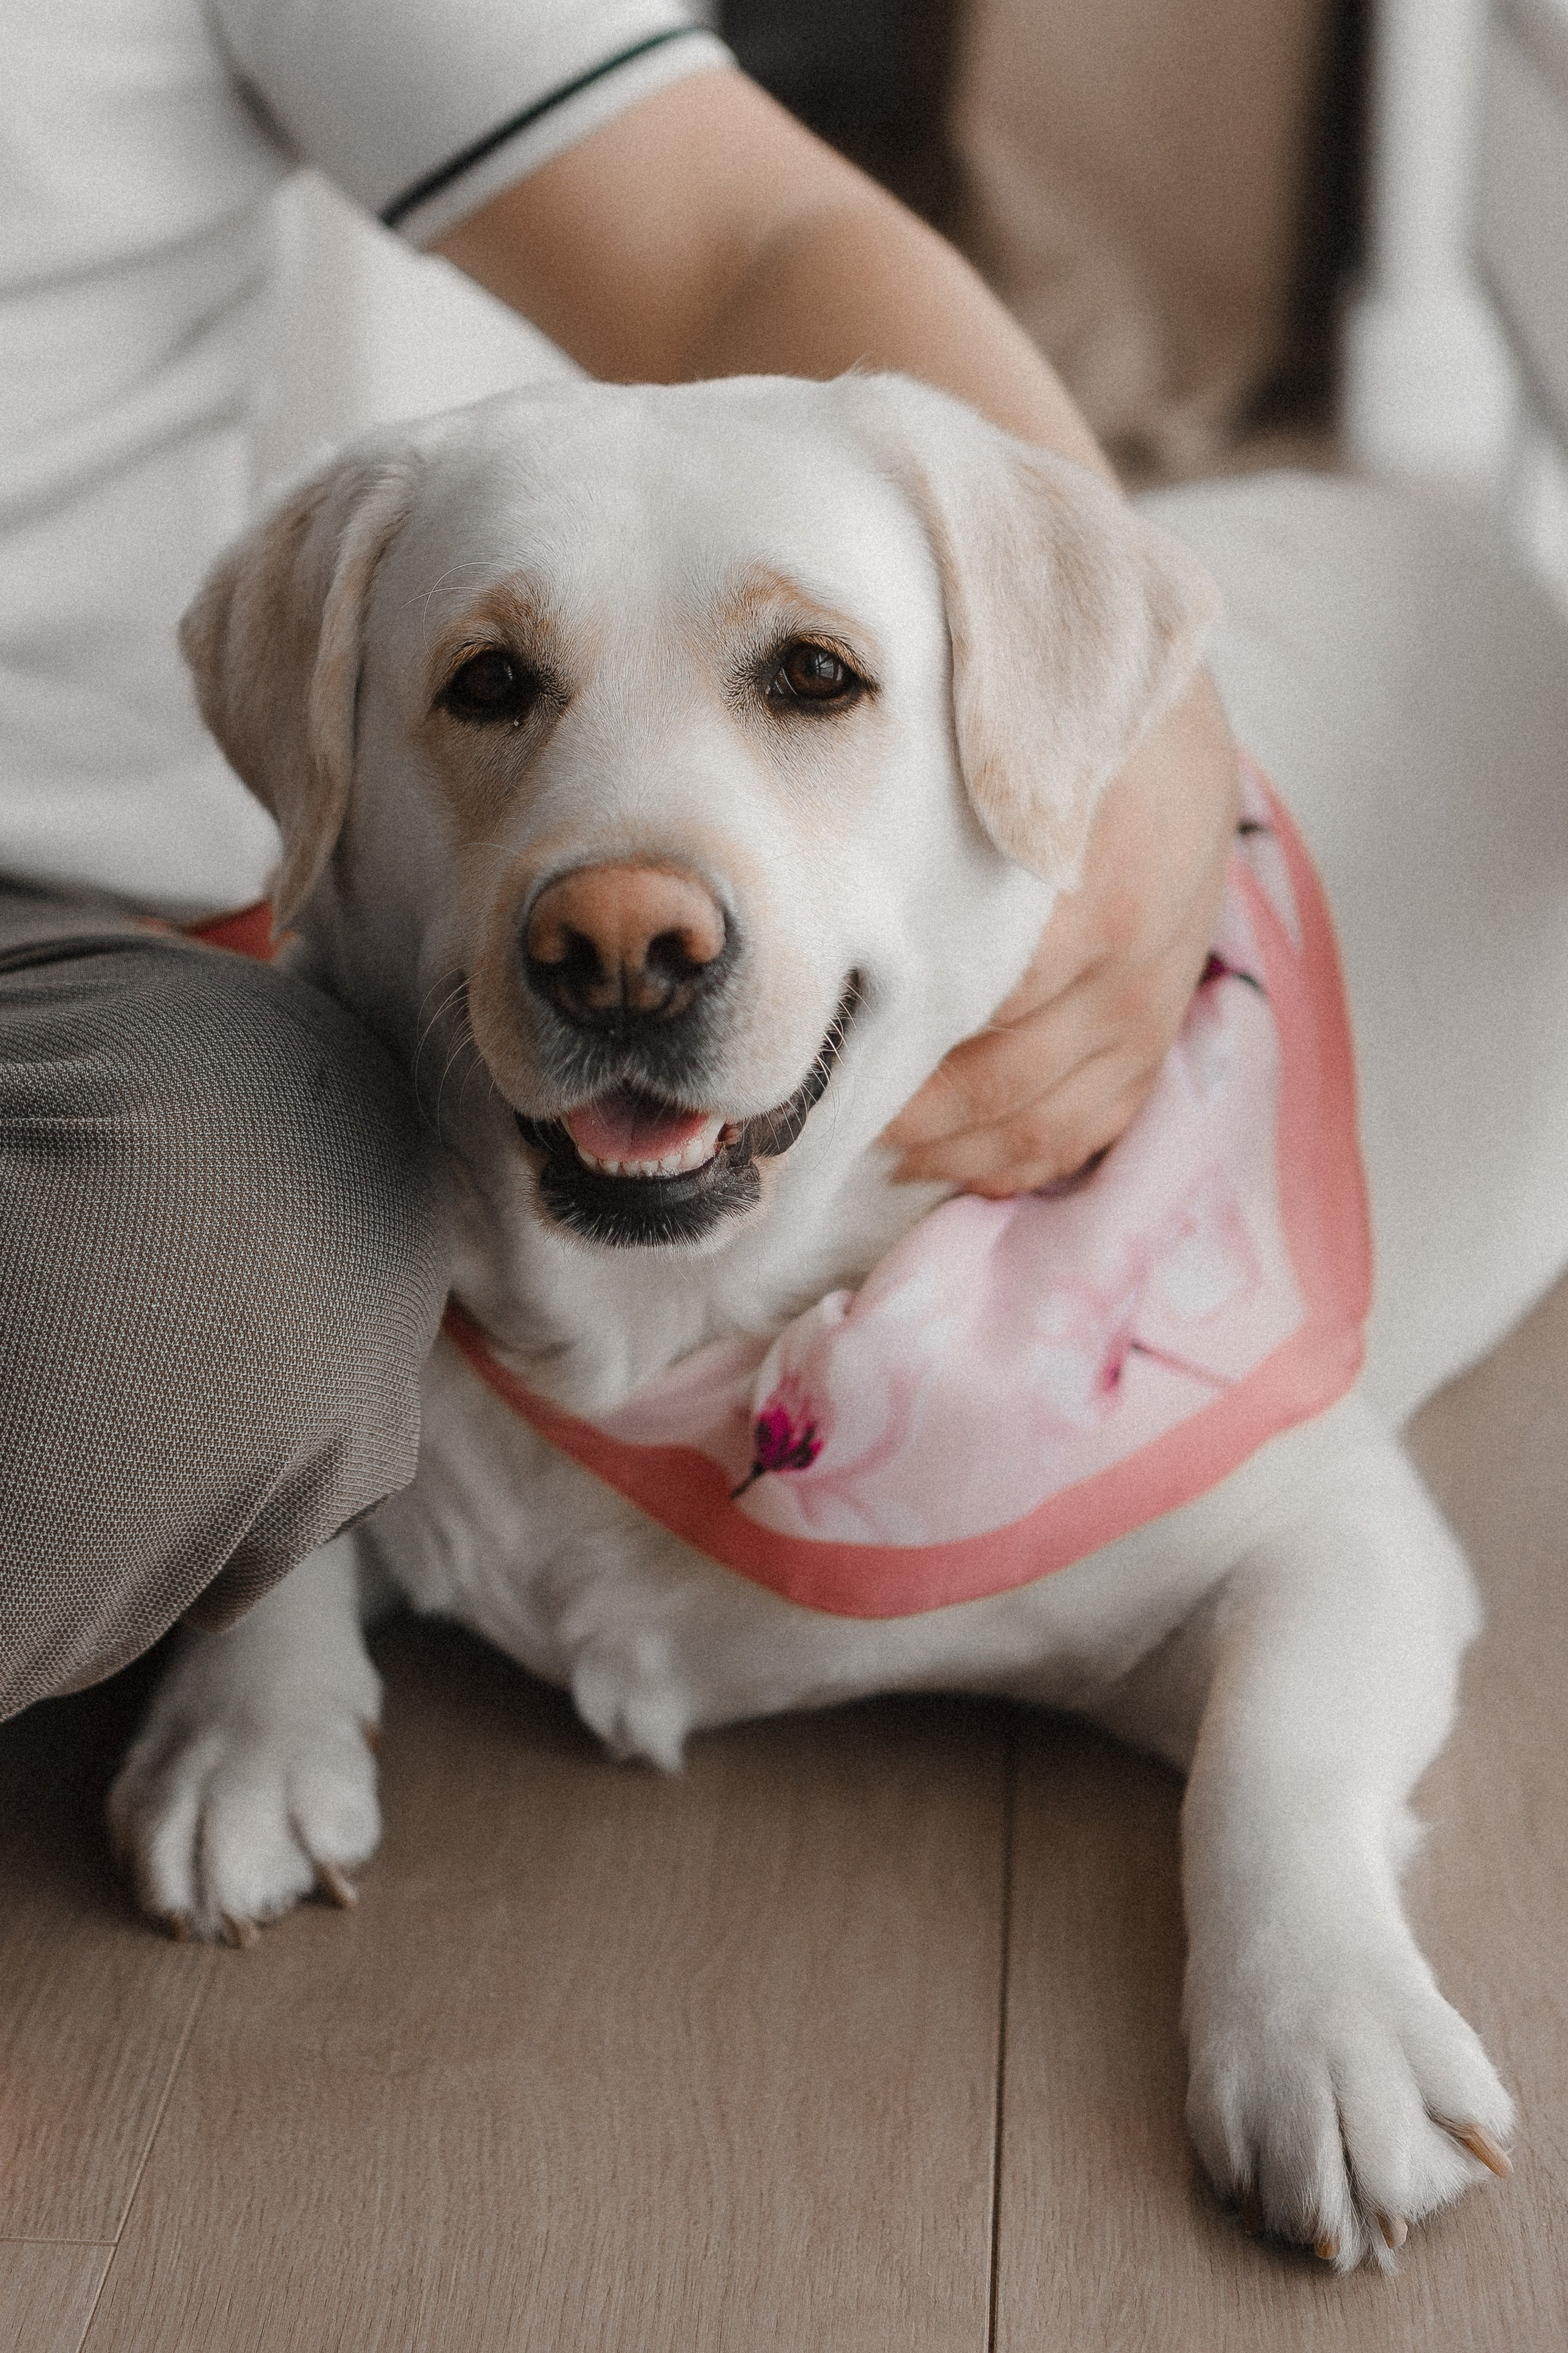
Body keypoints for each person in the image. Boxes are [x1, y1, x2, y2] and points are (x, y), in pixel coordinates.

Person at [0, 0, 1237, 1717]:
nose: (625, 927)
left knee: (226, 1290)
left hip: (58, 952)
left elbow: (752, 231)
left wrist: (1142, 758)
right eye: (494, 687)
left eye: (808, 679)